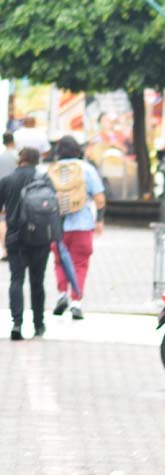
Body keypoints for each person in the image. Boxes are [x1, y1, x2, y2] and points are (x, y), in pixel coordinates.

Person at [48, 136, 105, 321]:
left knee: (59, 262)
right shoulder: (86, 169)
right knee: (80, 264)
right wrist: (100, 220)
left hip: (58, 225)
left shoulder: (51, 170)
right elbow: (100, 198)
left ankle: (61, 294)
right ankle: (76, 302)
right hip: (82, 224)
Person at [0, 148, 47, 340]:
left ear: (21, 159)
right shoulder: (44, 179)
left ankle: (17, 323)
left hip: (15, 236)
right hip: (40, 237)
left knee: (17, 279)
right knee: (37, 281)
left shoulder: (7, 180)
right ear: (37, 160)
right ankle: (38, 323)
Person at [0, 133, 16, 260]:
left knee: (2, 219)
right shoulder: (17, 156)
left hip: (1, 188)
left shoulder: (1, 156)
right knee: (14, 217)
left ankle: (5, 249)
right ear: (13, 141)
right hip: (15, 190)